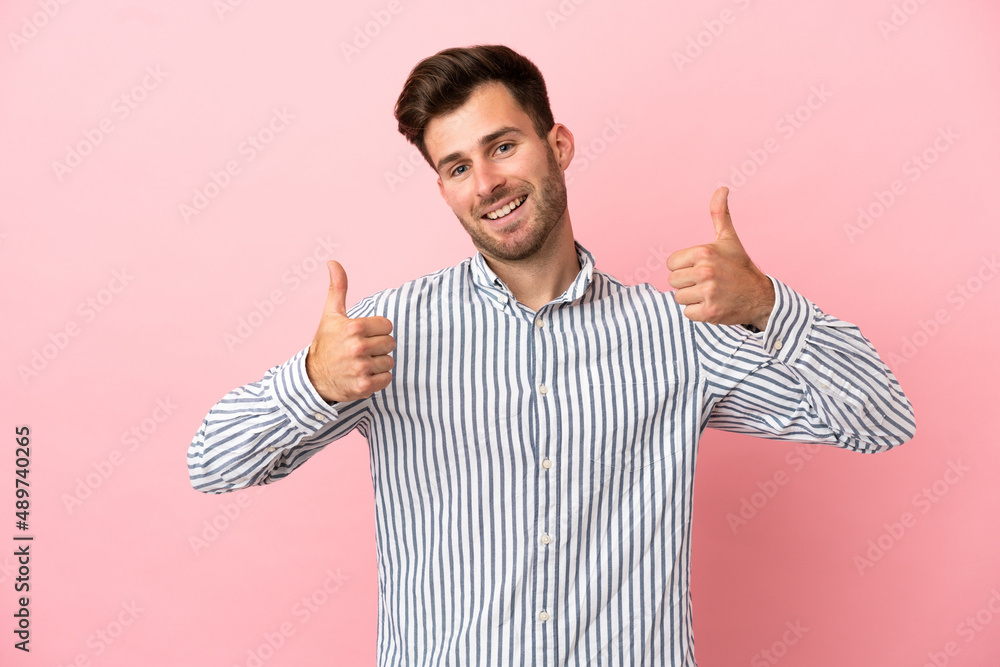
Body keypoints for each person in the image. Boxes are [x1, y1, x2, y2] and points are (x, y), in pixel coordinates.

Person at [187, 44, 915, 666]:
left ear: (557, 144)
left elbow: (881, 418)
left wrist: (766, 306)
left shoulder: (678, 334)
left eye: (503, 146)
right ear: (442, 187)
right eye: (456, 166)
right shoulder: (386, 336)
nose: (488, 183)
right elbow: (212, 463)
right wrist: (313, 382)